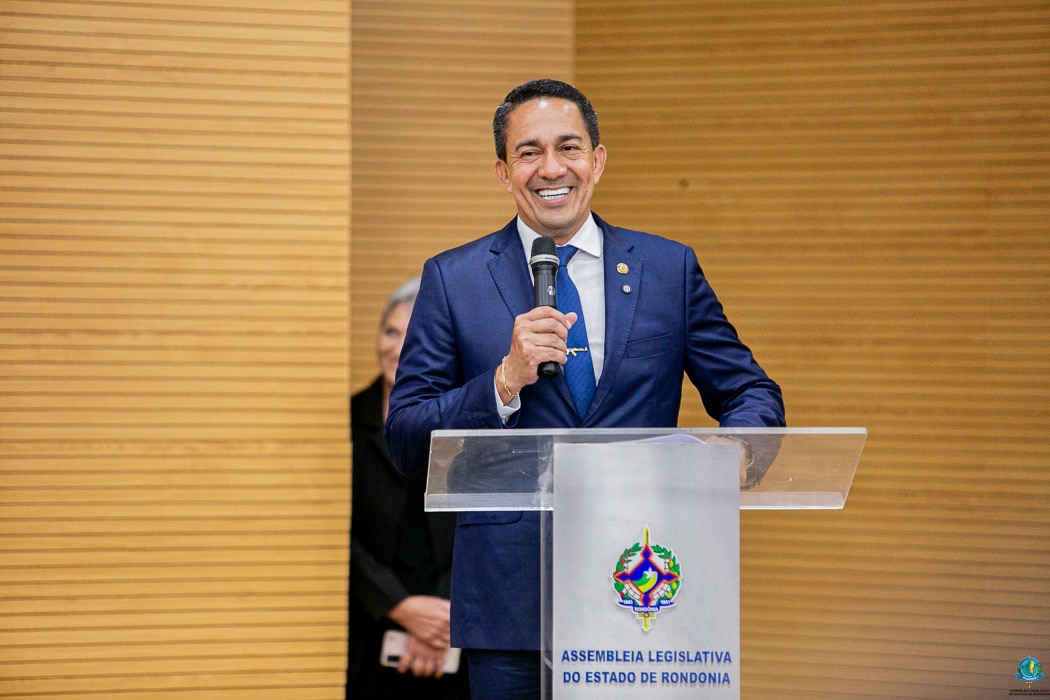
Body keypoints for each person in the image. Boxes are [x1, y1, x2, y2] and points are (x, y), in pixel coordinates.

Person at [385, 79, 785, 698]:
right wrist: (502, 381)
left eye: (568, 148)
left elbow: (750, 391)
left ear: (597, 160)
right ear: (503, 172)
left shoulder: (667, 269)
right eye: (529, 152)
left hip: (646, 584)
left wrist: (741, 447)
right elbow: (406, 437)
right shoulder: (453, 278)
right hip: (512, 602)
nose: (552, 169)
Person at [347, 277, 469, 699]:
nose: (396, 349)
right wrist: (400, 607)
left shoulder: (464, 421)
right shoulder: (345, 421)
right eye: (390, 332)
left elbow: (481, 520)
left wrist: (439, 617)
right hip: (367, 628)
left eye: (412, 338)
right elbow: (330, 533)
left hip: (453, 630)